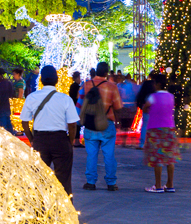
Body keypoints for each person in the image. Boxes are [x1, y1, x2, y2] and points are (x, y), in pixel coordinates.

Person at [19, 65, 79, 197]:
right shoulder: (65, 99)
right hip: (61, 140)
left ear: (41, 80)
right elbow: (72, 124)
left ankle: (40, 212)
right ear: (56, 80)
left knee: (38, 179)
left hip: (40, 140)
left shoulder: (32, 97)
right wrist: (70, 142)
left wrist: (32, 140)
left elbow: (24, 122)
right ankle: (65, 213)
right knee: (64, 180)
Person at [80, 62, 121, 190]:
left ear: (96, 71)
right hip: (106, 124)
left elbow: (80, 103)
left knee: (91, 155)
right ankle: (111, 183)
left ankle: (91, 182)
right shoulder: (112, 87)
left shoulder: (86, 85)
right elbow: (118, 107)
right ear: (107, 73)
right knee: (109, 155)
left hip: (90, 124)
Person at [144, 72, 180, 193]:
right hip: (169, 128)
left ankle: (158, 185)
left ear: (158, 84)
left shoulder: (152, 96)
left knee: (157, 156)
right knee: (170, 158)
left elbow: (145, 107)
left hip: (154, 129)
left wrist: (151, 111)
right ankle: (170, 184)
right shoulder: (171, 96)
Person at [135, 71, 156, 148]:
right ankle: (152, 143)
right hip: (155, 108)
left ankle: (142, 143)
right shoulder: (158, 85)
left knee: (145, 125)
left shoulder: (146, 84)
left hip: (146, 106)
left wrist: (140, 105)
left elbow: (141, 94)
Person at [0, 69, 15, 134]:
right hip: (8, 108)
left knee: (2, 129)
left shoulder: (0, 86)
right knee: (9, 127)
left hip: (1, 110)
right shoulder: (9, 84)